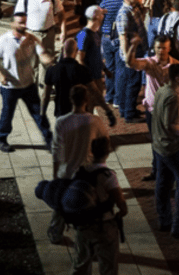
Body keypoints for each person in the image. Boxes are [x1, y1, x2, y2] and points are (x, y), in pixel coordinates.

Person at [47, 84, 109, 245]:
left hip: (66, 171)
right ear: (87, 100)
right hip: (87, 172)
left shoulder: (62, 122)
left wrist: (55, 176)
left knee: (60, 205)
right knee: (88, 207)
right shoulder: (95, 121)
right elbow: (104, 144)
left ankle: (55, 233)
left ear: (70, 100)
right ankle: (89, 239)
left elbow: (56, 151)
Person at [150, 63, 179, 240]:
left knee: (163, 184)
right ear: (177, 78)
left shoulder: (162, 91)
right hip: (174, 147)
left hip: (160, 146)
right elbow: (172, 125)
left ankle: (164, 220)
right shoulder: (173, 97)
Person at [0, 15, 52, 152]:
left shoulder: (31, 39)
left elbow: (42, 53)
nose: (24, 25)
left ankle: (49, 140)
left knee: (39, 113)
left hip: (28, 84)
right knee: (7, 114)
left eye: (25, 22)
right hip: (10, 86)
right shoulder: (3, 40)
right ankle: (0, 139)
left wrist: (47, 59)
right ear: (12, 23)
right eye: (20, 23)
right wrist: (1, 76)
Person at [70, 137, 126, 275]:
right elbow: (122, 204)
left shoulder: (80, 171)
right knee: (108, 266)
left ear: (92, 151)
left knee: (81, 264)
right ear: (108, 152)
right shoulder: (108, 175)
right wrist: (120, 213)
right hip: (104, 226)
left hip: (83, 224)